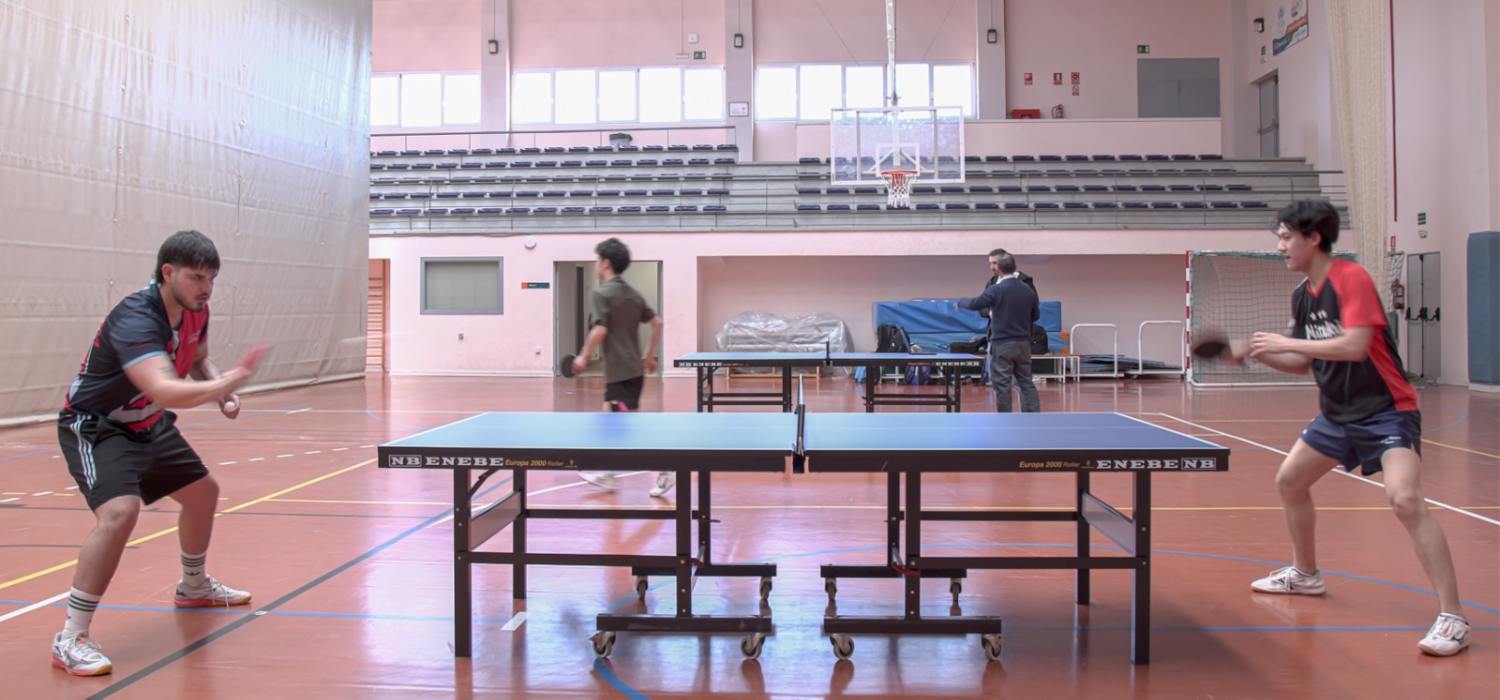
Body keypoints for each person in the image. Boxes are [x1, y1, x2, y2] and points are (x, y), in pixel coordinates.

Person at [1234, 200, 1467, 657]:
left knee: (1404, 498)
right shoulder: (1304, 294)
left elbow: (1357, 346)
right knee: (1290, 480)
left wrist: (1285, 340)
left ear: (1313, 238)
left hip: (1386, 410)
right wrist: (1258, 353)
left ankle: (1453, 616)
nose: (1280, 246)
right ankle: (1305, 575)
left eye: (1285, 237)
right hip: (1336, 414)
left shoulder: (1350, 278)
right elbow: (1303, 362)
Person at [53, 230, 265, 676]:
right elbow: (164, 388)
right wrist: (228, 382)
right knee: (119, 513)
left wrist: (216, 389)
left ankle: (193, 586)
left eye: (212, 278)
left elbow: (198, 357)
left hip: (147, 422)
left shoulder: (195, 310)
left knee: (203, 493)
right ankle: (71, 636)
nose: (206, 288)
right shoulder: (136, 318)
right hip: (99, 426)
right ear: (168, 273)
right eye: (196, 277)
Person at [573, 238, 671, 497]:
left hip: (620, 372)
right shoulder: (633, 293)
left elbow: (600, 328)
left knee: (626, 428)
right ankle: (608, 474)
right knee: (611, 423)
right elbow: (658, 323)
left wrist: (583, 357)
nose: (596, 265)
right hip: (632, 372)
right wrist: (649, 356)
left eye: (597, 260)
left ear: (605, 263)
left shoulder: (601, 293)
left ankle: (666, 468)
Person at [958, 250, 1040, 412]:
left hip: (1002, 343)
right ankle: (1033, 418)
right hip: (1023, 344)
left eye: (993, 264)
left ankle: (1005, 419)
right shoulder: (1027, 290)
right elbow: (1035, 315)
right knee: (1026, 382)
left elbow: (977, 303)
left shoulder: (996, 289)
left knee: (1002, 384)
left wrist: (961, 302)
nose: (991, 267)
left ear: (1000, 268)